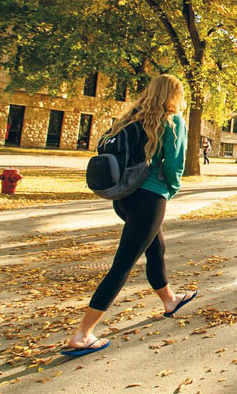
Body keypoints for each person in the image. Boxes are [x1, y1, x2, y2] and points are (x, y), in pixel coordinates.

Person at [61, 74, 193, 358]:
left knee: (156, 248)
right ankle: (82, 334)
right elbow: (174, 165)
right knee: (122, 265)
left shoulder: (131, 119)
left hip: (124, 198)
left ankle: (170, 300)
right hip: (150, 198)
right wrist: (170, 189)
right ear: (174, 96)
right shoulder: (173, 122)